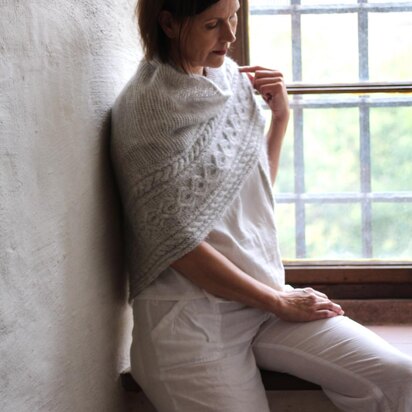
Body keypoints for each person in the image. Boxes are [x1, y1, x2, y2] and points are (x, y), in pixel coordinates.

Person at [110, 1, 412, 411]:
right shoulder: (148, 110)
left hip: (262, 300)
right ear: (169, 23)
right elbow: (177, 246)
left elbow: (244, 195)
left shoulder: (229, 80)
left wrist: (280, 119)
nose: (230, 35)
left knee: (397, 377)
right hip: (190, 321)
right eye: (213, 24)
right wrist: (279, 302)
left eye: (233, 15)